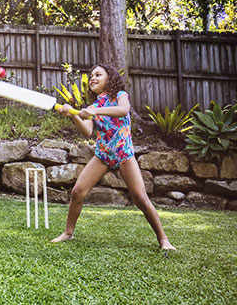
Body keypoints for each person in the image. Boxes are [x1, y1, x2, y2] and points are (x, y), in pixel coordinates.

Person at [50, 64, 175, 251]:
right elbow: (87, 131)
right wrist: (73, 116)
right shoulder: (93, 106)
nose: (93, 77)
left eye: (98, 74)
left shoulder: (120, 96)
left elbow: (123, 110)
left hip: (124, 154)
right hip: (103, 155)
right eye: (91, 75)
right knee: (78, 192)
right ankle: (68, 233)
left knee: (140, 198)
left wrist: (95, 112)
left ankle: (164, 239)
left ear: (110, 79)